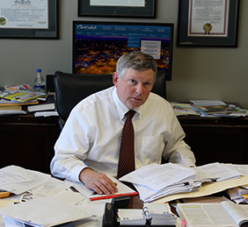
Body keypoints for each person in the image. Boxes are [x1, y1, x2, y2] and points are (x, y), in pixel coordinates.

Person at [50, 51, 196, 195]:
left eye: (147, 84)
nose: (139, 91)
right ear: (116, 79)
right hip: (102, 188)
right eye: (132, 82)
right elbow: (61, 160)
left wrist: (188, 170)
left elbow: (176, 146)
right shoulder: (88, 110)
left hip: (149, 189)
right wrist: (86, 175)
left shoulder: (161, 107)